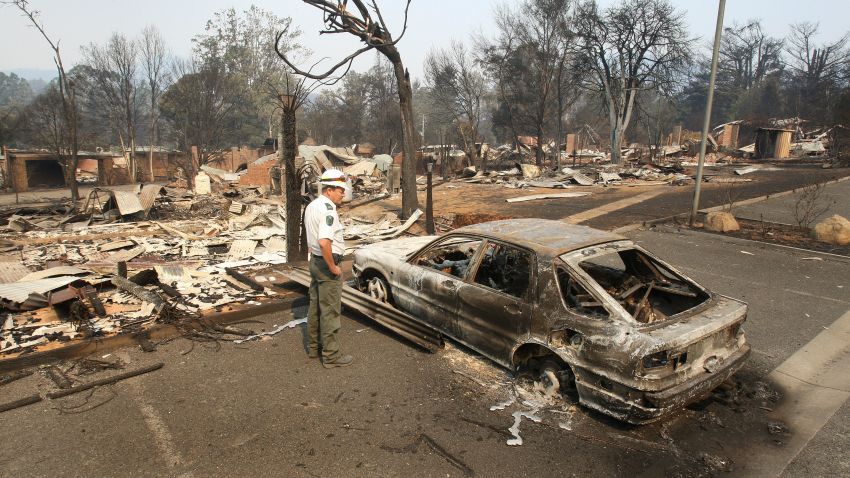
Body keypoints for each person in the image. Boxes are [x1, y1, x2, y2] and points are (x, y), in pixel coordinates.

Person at [304, 168, 354, 368]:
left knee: (315, 306)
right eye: (341, 190)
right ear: (330, 190)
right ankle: (331, 356)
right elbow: (325, 242)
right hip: (326, 263)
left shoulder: (313, 205)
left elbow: (312, 239)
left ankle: (314, 348)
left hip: (315, 261)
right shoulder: (328, 210)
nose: (343, 194)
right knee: (330, 310)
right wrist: (333, 267)